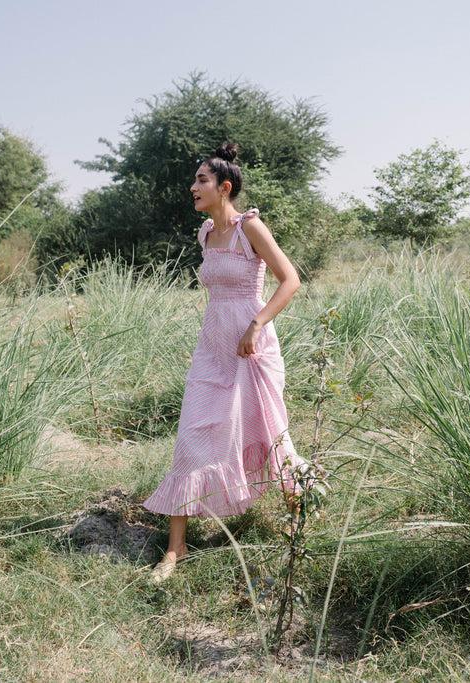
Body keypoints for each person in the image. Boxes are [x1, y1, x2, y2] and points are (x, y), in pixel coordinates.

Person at [142, 141, 309, 583]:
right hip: (212, 349)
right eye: (195, 180)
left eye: (201, 180)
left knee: (269, 432)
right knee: (191, 436)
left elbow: (290, 280)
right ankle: (175, 551)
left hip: (251, 348)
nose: (192, 187)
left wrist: (255, 325)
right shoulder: (204, 235)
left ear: (224, 187)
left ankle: (300, 517)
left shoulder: (247, 227)